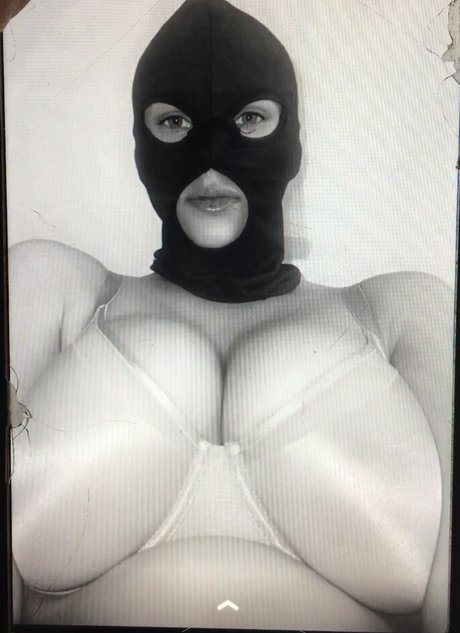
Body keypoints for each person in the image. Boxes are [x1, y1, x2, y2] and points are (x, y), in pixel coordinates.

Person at [9, 0, 453, 631]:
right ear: (139, 142)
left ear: (292, 138)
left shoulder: (405, 311)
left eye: (249, 119)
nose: (212, 157)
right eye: (174, 122)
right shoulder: (50, 286)